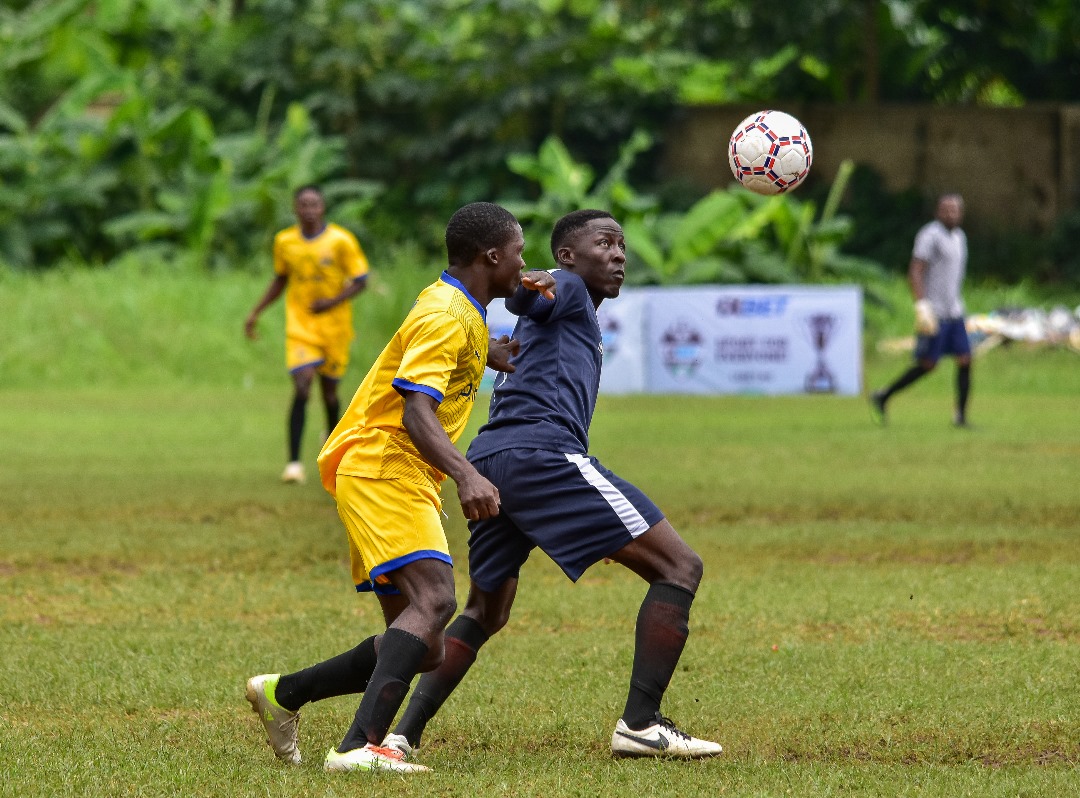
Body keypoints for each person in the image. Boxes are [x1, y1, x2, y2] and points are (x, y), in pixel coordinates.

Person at [384, 209, 723, 760]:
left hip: (494, 459)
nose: (618, 255)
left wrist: (525, 289)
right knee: (680, 567)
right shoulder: (563, 286)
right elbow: (530, 296)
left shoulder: (572, 303)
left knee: (486, 612)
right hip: (541, 455)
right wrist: (526, 282)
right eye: (604, 243)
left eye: (622, 246)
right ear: (567, 255)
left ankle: (401, 734)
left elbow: (530, 305)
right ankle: (641, 722)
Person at [244, 201, 555, 774]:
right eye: (519, 252)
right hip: (386, 464)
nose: (524, 263)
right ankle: (358, 747)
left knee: (424, 644)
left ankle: (283, 694)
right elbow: (416, 411)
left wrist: (491, 354)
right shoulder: (446, 313)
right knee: (435, 600)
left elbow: (443, 349)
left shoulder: (459, 306)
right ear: (492, 255)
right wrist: (467, 473)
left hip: (386, 468)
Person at [245, 185, 370, 484]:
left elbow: (361, 280)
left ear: (323, 207)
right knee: (302, 386)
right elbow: (280, 279)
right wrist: (255, 312)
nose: (309, 209)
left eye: (314, 204)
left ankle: (332, 447)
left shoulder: (341, 240)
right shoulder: (285, 241)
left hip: (335, 328)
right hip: (301, 326)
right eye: (303, 204)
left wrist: (332, 301)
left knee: (329, 394)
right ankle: (293, 464)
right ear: (295, 208)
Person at [870, 194, 973, 427]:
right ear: (938, 211)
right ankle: (883, 395)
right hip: (934, 312)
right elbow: (916, 270)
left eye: (955, 210)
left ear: (961, 213)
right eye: (946, 210)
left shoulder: (959, 237)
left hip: (955, 310)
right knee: (928, 364)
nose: (951, 214)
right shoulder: (930, 235)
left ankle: (961, 417)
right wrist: (922, 305)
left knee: (965, 359)